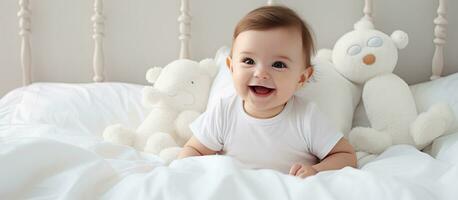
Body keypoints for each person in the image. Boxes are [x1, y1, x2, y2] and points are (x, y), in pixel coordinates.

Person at [178, 5, 356, 178]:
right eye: (248, 61)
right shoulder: (224, 112)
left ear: (301, 79)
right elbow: (193, 150)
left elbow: (345, 156)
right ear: (231, 68)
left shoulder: (306, 118)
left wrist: (316, 170)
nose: (261, 73)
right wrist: (185, 176)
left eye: (278, 64)